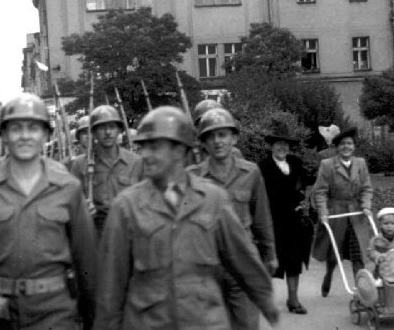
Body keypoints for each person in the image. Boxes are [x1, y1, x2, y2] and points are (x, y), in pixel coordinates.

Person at [94, 106, 280, 330]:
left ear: (179, 150)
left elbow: (243, 258)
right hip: (149, 321)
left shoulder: (213, 199)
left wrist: (267, 303)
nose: (145, 155)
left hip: (204, 320)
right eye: (143, 147)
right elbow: (111, 285)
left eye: (155, 147)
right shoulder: (126, 206)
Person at [0, 93, 96, 330]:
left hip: (54, 311)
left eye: (33, 128)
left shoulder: (68, 188)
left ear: (46, 134)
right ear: (3, 135)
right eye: (15, 128)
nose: (25, 136)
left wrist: (94, 317)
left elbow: (86, 258)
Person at [187, 107, 277, 329]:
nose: (217, 141)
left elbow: (261, 219)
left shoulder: (251, 173)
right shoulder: (191, 177)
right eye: (211, 136)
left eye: (223, 135)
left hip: (243, 264)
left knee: (246, 324)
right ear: (203, 143)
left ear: (234, 138)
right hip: (207, 267)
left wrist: (270, 254)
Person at [312, 127, 374, 297]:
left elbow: (367, 188)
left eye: (349, 143)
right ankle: (328, 275)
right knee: (334, 254)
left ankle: (361, 290)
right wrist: (323, 212)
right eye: (342, 144)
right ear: (337, 147)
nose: (346, 147)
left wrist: (366, 205)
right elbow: (320, 191)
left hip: (355, 213)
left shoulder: (360, 164)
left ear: (354, 146)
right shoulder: (327, 165)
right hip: (336, 212)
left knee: (357, 254)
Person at [259, 130, 312, 314]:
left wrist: (304, 203)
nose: (282, 147)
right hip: (271, 221)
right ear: (271, 146)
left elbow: (303, 184)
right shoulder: (263, 166)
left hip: (294, 221)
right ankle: (265, 302)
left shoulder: (295, 163)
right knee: (269, 261)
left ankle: (293, 300)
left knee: (294, 261)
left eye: (285, 144)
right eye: (277, 144)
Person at [70, 105, 143, 234]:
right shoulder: (80, 165)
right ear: (94, 132)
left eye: (112, 127)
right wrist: (82, 209)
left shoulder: (136, 162)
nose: (108, 132)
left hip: (129, 231)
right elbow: (70, 203)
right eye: (102, 128)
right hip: (96, 232)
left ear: (119, 130)